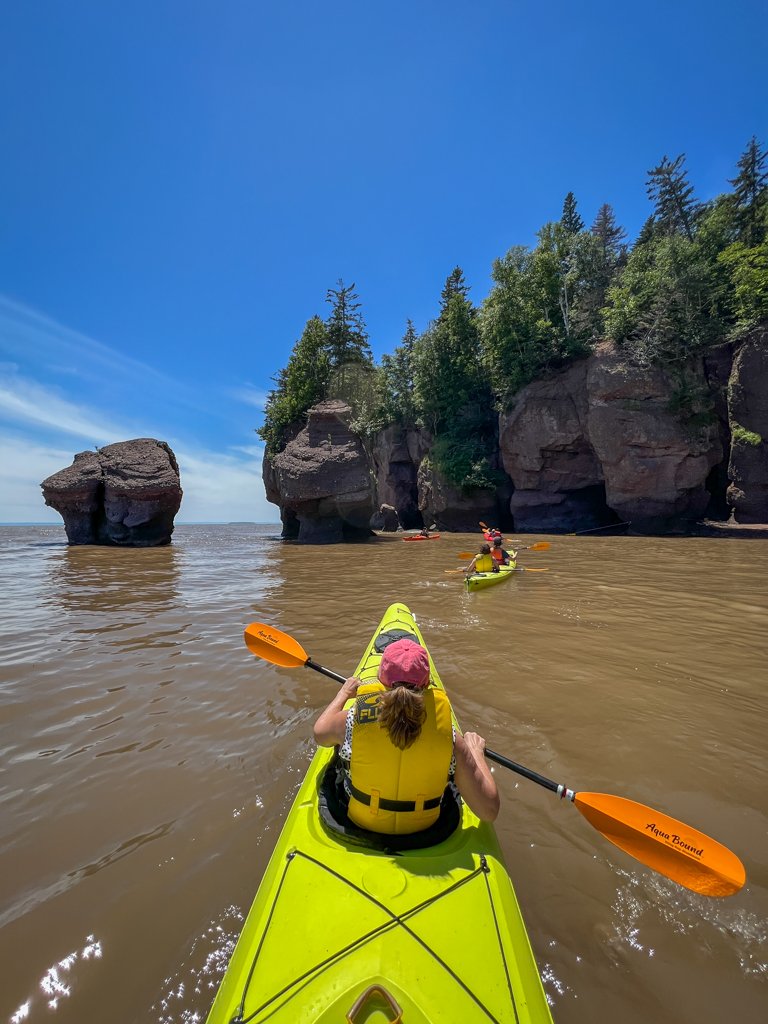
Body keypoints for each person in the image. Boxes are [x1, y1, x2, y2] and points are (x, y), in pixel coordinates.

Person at [313, 637, 499, 835]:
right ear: (427, 683)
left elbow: (320, 735)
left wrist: (343, 694)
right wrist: (475, 752)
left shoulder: (351, 720)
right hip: (424, 828)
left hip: (359, 820)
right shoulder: (451, 737)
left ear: (380, 680)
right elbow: (489, 812)